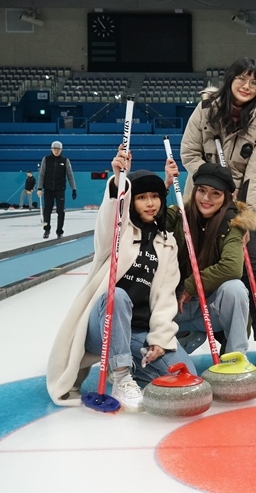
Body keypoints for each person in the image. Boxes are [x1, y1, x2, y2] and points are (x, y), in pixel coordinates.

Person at [46, 148, 194, 413]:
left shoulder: (167, 243)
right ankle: (122, 375)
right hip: (102, 325)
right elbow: (111, 215)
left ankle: (131, 368)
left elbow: (164, 298)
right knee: (120, 296)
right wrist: (117, 180)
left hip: (138, 333)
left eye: (155, 197)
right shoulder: (118, 233)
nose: (150, 203)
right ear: (131, 201)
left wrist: (159, 339)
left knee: (186, 376)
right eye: (141, 198)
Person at [180, 57, 256, 360]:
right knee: (195, 262)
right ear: (230, 79)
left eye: (254, 82)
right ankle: (181, 329)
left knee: (247, 268)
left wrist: (246, 221)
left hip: (235, 207)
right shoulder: (206, 109)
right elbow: (189, 152)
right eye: (242, 78)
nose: (247, 86)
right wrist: (215, 182)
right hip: (201, 200)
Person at [167, 162, 255, 358]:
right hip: (171, 310)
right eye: (202, 191)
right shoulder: (179, 214)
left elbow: (232, 268)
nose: (206, 198)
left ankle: (234, 359)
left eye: (215, 193)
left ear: (227, 197)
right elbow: (148, 219)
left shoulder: (233, 224)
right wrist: (165, 185)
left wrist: (191, 286)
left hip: (207, 309)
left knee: (235, 289)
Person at [37, 141, 77, 239]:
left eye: (58, 149)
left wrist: (73, 188)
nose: (56, 151)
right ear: (51, 149)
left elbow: (70, 175)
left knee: (60, 211)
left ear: (61, 150)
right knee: (47, 211)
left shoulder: (65, 160)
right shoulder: (46, 160)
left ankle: (59, 231)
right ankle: (46, 229)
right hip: (48, 189)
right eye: (54, 149)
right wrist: (39, 188)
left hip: (60, 189)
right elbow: (41, 174)